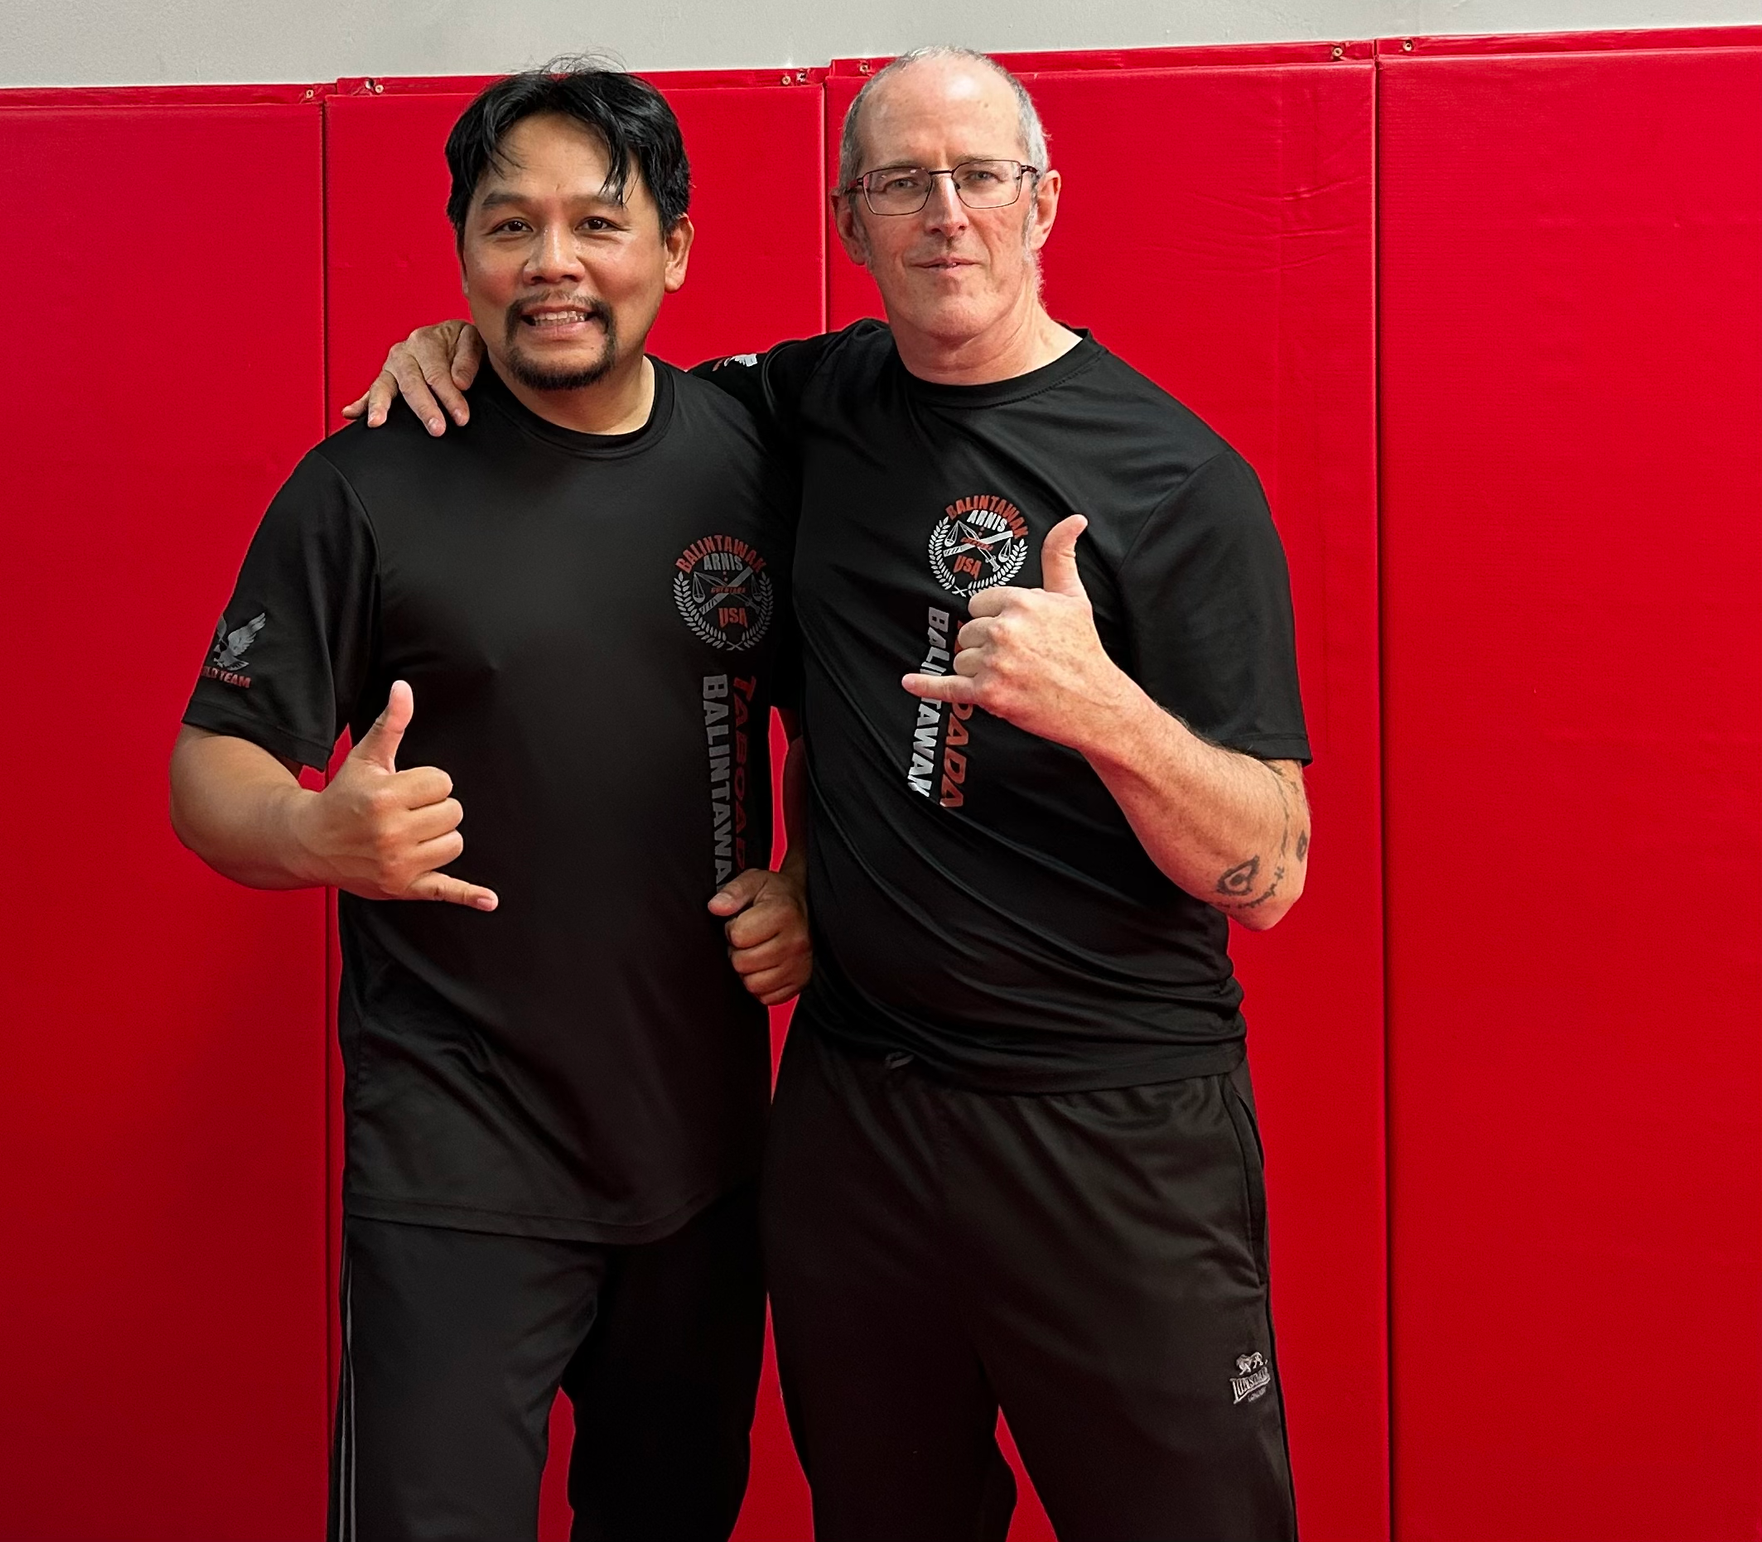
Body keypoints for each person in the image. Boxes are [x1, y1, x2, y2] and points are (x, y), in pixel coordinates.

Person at [354, 46, 1311, 1542]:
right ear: (848, 219)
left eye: (979, 176)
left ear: (1042, 201)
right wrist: (459, 340)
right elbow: (604, 379)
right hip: (858, 1124)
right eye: (899, 184)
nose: (945, 215)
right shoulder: (803, 409)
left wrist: (1107, 712)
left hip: (1109, 1120)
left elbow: (1273, 860)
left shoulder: (1179, 482)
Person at [170, 65, 809, 1542]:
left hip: (701, 1157)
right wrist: (312, 830)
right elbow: (211, 768)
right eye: (510, 225)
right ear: (462, 248)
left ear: (677, 246)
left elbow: (847, 714)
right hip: (456, 1169)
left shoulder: (755, 460)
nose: (554, 263)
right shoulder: (369, 485)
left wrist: (814, 883)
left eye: (599, 221)